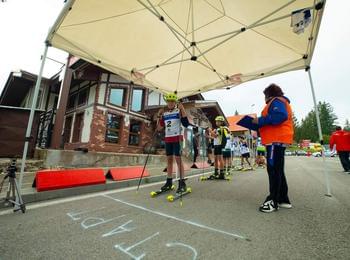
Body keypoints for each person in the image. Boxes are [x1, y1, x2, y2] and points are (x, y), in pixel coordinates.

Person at [252, 83, 294, 213]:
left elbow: (280, 116)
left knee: (273, 171)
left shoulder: (276, 101)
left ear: (268, 94)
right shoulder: (281, 101)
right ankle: (283, 199)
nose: (264, 99)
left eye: (265, 95)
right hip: (278, 140)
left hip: (275, 140)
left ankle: (273, 201)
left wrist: (260, 121)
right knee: (278, 170)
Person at [157, 93, 190, 193]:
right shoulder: (165, 113)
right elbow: (159, 128)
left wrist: (182, 109)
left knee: (178, 160)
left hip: (177, 138)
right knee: (169, 161)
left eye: (172, 101)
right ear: (167, 102)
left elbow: (186, 124)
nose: (170, 103)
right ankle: (169, 182)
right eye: (169, 101)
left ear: (175, 102)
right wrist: (159, 116)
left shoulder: (178, 111)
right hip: (168, 139)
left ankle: (182, 183)